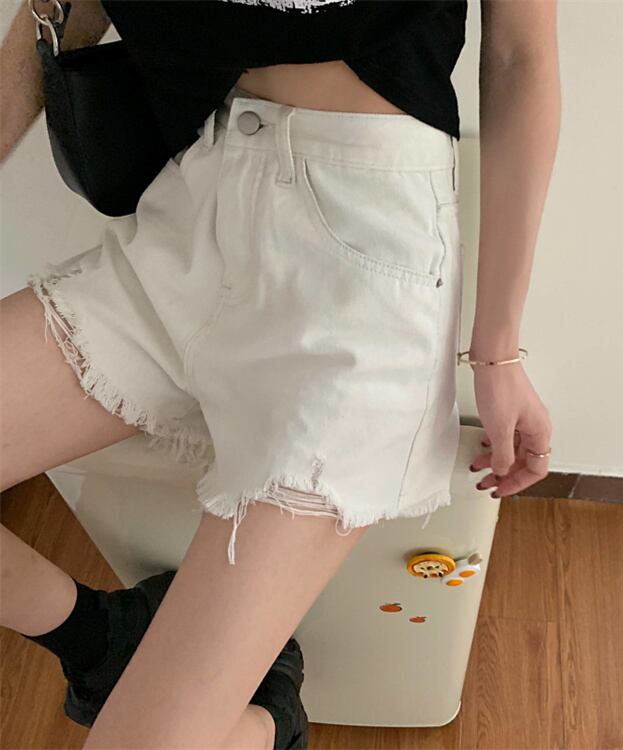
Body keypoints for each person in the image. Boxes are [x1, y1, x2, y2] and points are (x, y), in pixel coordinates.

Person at [0, 0, 558, 747]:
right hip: (188, 209)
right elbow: (54, 10)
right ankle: (97, 636)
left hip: (362, 265)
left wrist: (498, 349)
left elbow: (521, 58)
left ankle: (269, 728)